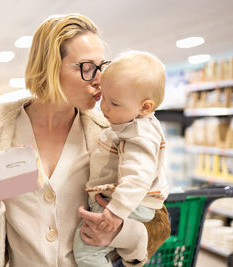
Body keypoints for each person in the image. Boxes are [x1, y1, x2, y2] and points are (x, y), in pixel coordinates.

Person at [0, 14, 170, 267]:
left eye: (102, 67)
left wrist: (118, 231)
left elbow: (159, 222)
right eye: (87, 67)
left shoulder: (113, 132)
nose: (100, 79)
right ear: (49, 66)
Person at [73, 51, 169, 267]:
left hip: (125, 205)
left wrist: (115, 212)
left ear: (145, 107)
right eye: (104, 97)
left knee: (86, 251)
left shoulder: (138, 133)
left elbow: (138, 176)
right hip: (127, 203)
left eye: (114, 103)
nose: (104, 107)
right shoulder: (130, 125)